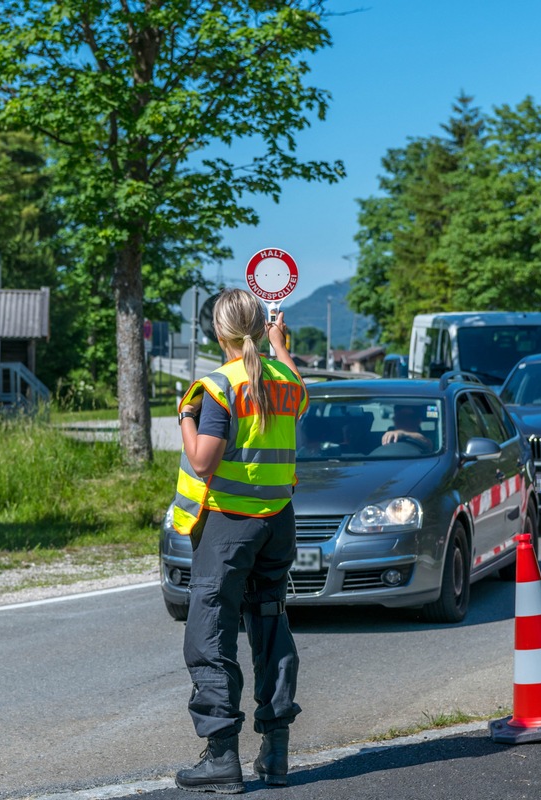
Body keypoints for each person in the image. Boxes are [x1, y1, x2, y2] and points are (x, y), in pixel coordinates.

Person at [171, 288, 308, 794]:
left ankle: (221, 757)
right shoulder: (284, 381)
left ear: (217, 332)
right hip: (278, 522)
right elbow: (295, 381)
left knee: (210, 630)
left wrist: (185, 419)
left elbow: (203, 460)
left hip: (229, 526)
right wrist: (278, 342)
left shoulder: (218, 386)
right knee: (270, 627)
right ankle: (275, 755)